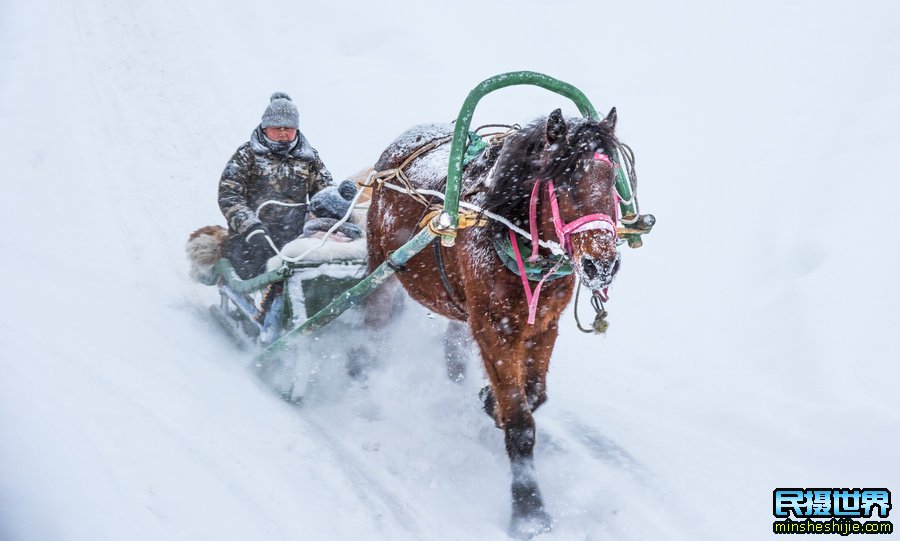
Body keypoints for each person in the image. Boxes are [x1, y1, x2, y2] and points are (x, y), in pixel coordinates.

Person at [218, 91, 334, 279]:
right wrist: (251, 228)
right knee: (251, 262)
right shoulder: (246, 155)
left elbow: (324, 193)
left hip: (296, 232)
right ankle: (252, 299)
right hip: (255, 233)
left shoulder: (308, 157)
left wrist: (331, 210)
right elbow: (229, 196)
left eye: (288, 128)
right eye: (276, 127)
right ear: (265, 128)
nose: (283, 133)